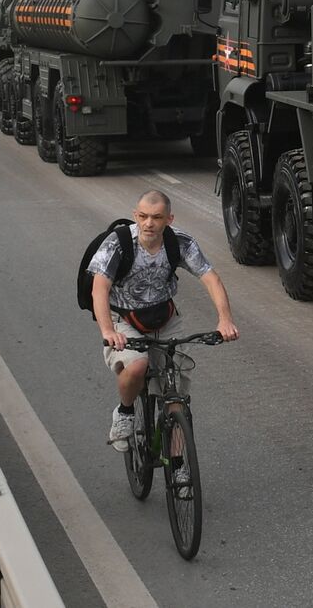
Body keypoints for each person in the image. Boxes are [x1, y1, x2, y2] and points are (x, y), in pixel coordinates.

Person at [89, 190, 239, 476]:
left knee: (176, 399)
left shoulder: (178, 242)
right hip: (125, 319)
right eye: (143, 216)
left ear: (168, 219)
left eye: (157, 218)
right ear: (136, 215)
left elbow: (211, 279)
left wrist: (225, 320)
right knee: (137, 366)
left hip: (165, 320)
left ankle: (178, 464)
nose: (149, 223)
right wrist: (108, 330)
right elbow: (100, 288)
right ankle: (125, 412)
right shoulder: (119, 244)